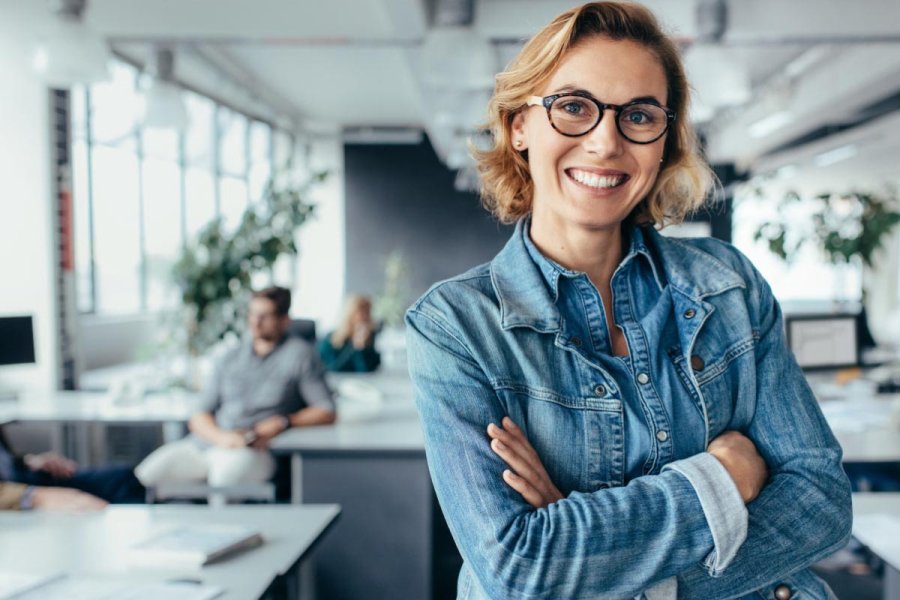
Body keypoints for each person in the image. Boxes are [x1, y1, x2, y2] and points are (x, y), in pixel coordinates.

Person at [405, 3, 852, 599]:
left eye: (639, 115)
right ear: (518, 125)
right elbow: (518, 569)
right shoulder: (458, 326)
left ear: (663, 140)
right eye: (572, 107)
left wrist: (605, 561)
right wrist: (722, 478)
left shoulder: (729, 287)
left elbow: (820, 502)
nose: (605, 142)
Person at [136, 286, 336, 489]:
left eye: (265, 316)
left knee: (224, 482)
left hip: (254, 449)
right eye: (253, 314)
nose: (256, 322)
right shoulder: (229, 356)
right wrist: (223, 438)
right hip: (210, 442)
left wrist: (282, 422)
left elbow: (326, 410)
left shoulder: (300, 355)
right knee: (145, 476)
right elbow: (199, 415)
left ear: (284, 320)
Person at [0, 427, 144, 504]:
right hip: (13, 493)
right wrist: (30, 497)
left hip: (21, 475)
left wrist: (28, 460)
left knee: (121, 478)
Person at [318, 295, 381, 373]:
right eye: (360, 313)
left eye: (367, 313)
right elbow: (333, 369)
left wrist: (360, 347)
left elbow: (365, 370)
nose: (364, 317)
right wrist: (352, 347)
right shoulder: (329, 340)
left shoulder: (368, 341)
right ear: (349, 314)